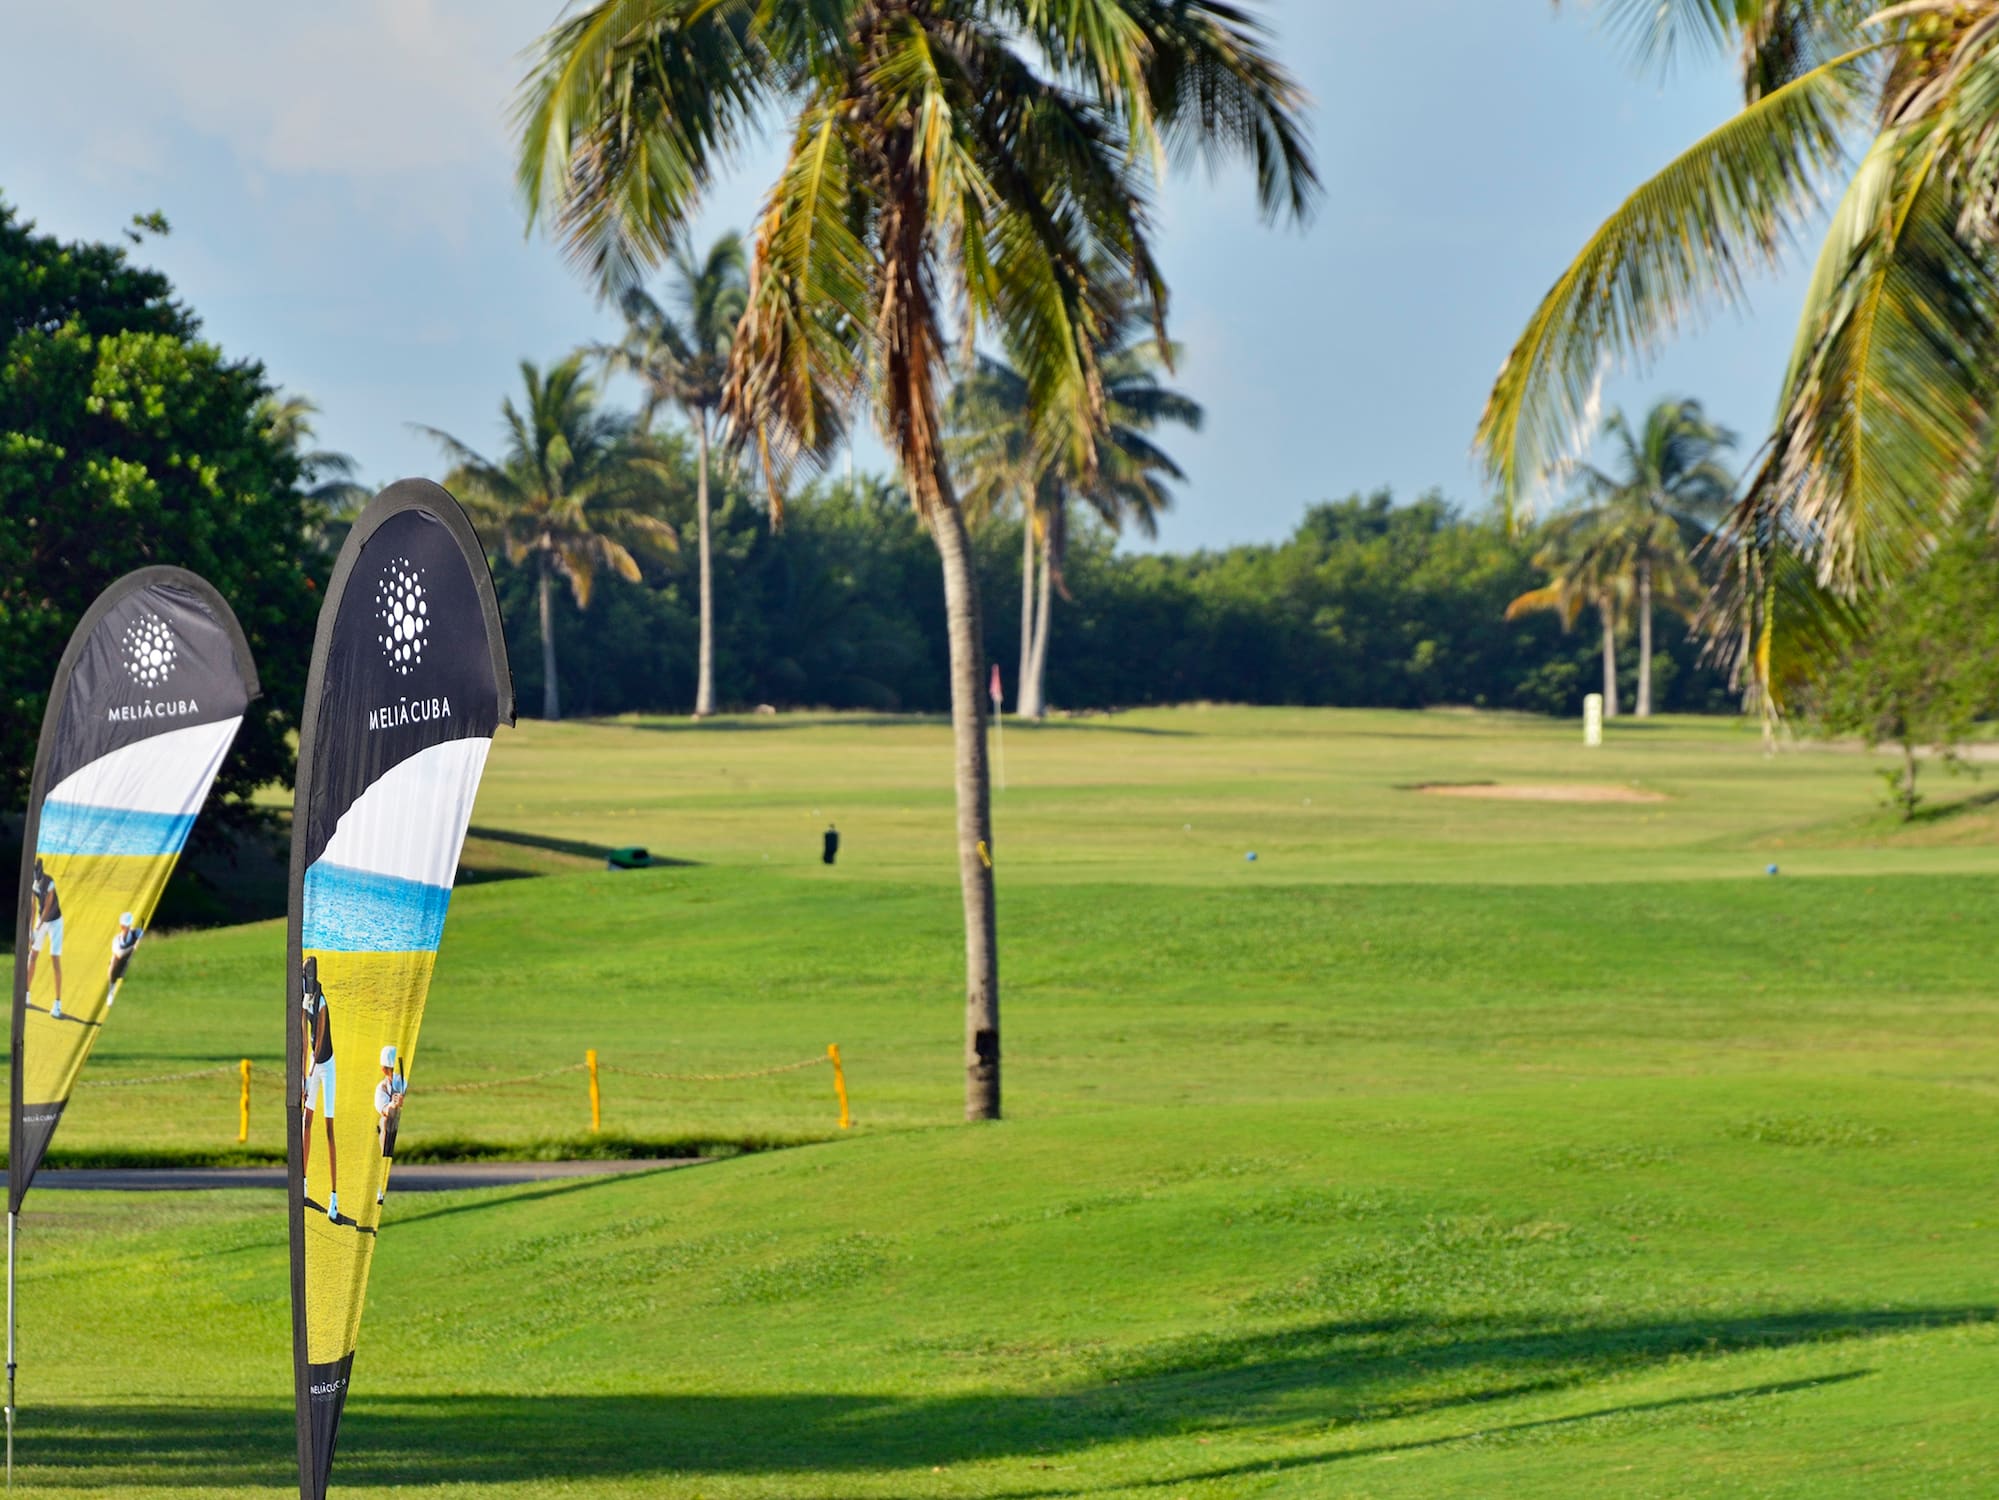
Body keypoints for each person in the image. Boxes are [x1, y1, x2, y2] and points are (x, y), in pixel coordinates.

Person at [299, 956, 339, 1221]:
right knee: (306, 1121)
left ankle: (334, 1197)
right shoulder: (304, 1002)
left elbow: (320, 1037)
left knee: (328, 1127)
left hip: (327, 1065)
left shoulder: (322, 1002)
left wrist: (312, 1070)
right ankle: (303, 1183)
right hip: (313, 1064)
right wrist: (304, 1078)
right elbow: (305, 1041)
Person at [25, 857, 65, 1019]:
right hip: (42, 921)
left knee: (54, 958)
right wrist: (30, 932)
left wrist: (38, 926)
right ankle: (26, 994)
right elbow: (33, 908)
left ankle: (57, 1004)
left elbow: (48, 908)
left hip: (55, 922)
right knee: (32, 955)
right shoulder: (33, 884)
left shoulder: (49, 882)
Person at [374, 1043, 407, 1207]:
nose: (393, 1073)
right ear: (384, 1070)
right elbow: (385, 1111)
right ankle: (382, 1186)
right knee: (385, 1121)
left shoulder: (405, 1083)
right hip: (389, 1126)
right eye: (390, 1069)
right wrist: (394, 1105)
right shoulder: (381, 1088)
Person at [105, 912, 144, 1008]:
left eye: (127, 925)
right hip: (121, 967)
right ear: (121, 926)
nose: (126, 928)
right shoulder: (116, 940)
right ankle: (111, 992)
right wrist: (133, 948)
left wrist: (140, 941)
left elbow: (144, 936)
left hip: (135, 964)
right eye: (124, 926)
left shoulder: (137, 932)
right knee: (114, 960)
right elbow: (119, 954)